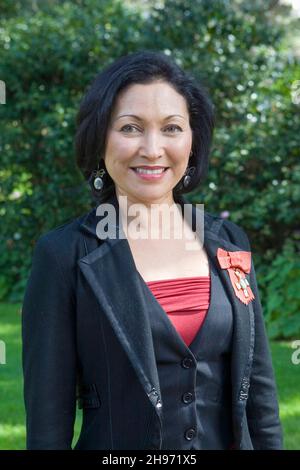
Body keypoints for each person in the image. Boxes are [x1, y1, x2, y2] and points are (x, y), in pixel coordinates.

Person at [22, 50, 283, 450]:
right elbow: (47, 423)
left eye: (172, 128)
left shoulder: (229, 241)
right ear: (99, 137)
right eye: (130, 128)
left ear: (193, 141)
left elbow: (260, 401)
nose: (152, 148)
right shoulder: (63, 256)